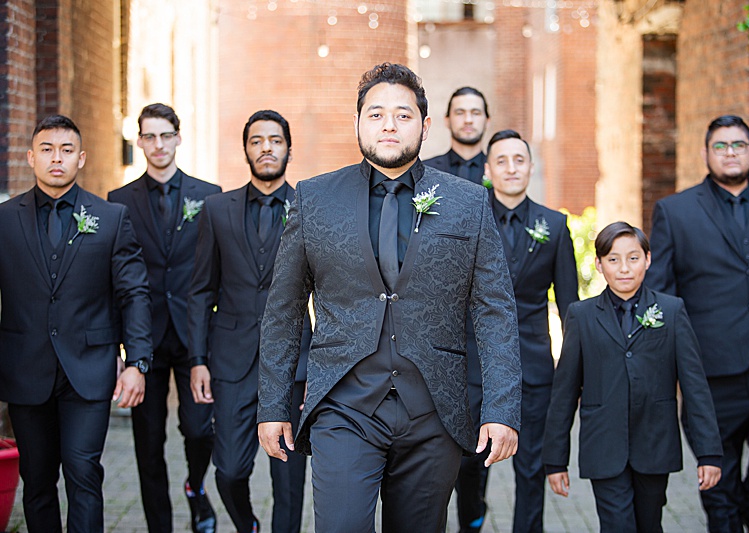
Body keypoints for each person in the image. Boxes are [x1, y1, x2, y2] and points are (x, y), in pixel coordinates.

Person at [257, 62, 521, 533]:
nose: (389, 125)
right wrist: (273, 405)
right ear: (357, 123)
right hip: (344, 407)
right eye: (376, 114)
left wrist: (502, 410)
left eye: (403, 115)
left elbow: (494, 311)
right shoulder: (314, 199)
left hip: (434, 412)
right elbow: (284, 309)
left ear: (425, 125)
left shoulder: (467, 202)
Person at [647, 115, 749, 533]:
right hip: (710, 368)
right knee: (718, 469)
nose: (730, 152)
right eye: (720, 145)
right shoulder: (676, 211)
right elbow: (663, 294)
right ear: (706, 153)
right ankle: (729, 522)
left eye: (738, 145)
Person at [0, 114, 152, 531]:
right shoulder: (4, 219)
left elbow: (134, 293)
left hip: (88, 368)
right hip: (25, 368)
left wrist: (137, 362)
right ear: (31, 157)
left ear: (80, 158)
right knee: (37, 480)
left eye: (66, 150)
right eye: (47, 149)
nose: (57, 158)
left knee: (83, 472)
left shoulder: (111, 217)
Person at [543, 221, 723, 533]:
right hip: (603, 445)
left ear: (648, 260)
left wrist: (709, 453)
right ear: (599, 264)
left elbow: (694, 386)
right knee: (617, 525)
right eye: (613, 259)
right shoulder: (581, 316)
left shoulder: (671, 311)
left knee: (650, 524)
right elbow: (564, 392)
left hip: (655, 443)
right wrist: (555, 460)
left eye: (633, 258)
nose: (624, 268)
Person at [447, 129, 577, 533]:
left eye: (519, 160)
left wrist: (574, 372)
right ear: (487, 170)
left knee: (531, 467)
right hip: (473, 367)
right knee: (469, 462)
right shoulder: (466, 220)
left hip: (532, 368)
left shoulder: (554, 225)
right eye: (501, 161)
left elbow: (569, 307)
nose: (511, 168)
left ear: (531, 167)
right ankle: (472, 520)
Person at [187, 110, 308, 533]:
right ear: (246, 150)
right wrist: (198, 360)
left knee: (289, 480)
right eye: (257, 141)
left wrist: (321, 368)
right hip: (230, 360)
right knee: (229, 470)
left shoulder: (310, 207)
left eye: (275, 140)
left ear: (288, 148)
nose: (266, 148)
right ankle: (248, 525)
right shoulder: (217, 210)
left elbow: (330, 294)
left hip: (293, 363)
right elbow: (201, 290)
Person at [108, 103, 220, 533]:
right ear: (139, 141)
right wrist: (120, 351)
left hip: (194, 336)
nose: (158, 144)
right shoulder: (119, 202)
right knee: (148, 442)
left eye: (166, 135)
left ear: (178, 138)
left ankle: (195, 486)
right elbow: (113, 278)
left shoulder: (209, 196)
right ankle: (160, 526)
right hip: (144, 339)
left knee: (199, 429)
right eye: (149, 136)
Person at [424, 86, 490, 186]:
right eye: (460, 113)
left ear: (487, 121)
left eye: (476, 113)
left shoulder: (500, 171)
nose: (468, 120)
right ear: (447, 120)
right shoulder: (425, 171)